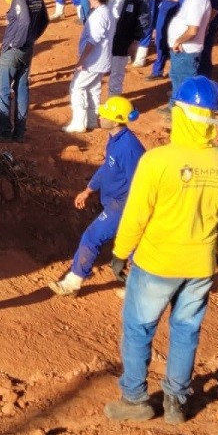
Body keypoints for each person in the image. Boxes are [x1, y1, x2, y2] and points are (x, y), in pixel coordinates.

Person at [105, 76, 218, 425]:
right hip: (201, 266)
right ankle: (175, 402)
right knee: (186, 331)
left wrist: (121, 253)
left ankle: (135, 399)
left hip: (156, 263)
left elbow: (136, 214)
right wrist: (204, 249)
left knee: (138, 329)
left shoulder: (157, 161)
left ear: (179, 114)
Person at [49, 96, 145, 297]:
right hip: (114, 203)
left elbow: (140, 183)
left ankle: (72, 283)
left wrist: (132, 213)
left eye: (105, 114)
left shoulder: (129, 148)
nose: (101, 116)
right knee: (133, 245)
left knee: (93, 237)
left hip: (123, 205)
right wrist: (89, 189)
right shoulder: (115, 139)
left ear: (117, 120)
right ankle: (139, 287)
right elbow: (107, 168)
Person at [0, 0, 49, 142]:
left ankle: (3, 131)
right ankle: (20, 132)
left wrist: (14, 43)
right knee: (22, 87)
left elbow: (24, 21)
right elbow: (44, 20)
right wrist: (32, 38)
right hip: (28, 47)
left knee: (2, 88)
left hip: (15, 49)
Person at [65, 0, 116, 133]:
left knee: (77, 87)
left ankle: (79, 123)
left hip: (93, 61)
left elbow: (93, 40)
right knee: (94, 88)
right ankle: (92, 120)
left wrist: (81, 60)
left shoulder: (99, 16)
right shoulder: (107, 11)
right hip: (102, 60)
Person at [157, 0, 211, 108]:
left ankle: (181, 109)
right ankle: (175, 105)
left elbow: (193, 30)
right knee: (177, 77)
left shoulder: (196, 1)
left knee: (184, 79)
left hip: (186, 48)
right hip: (184, 48)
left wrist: (178, 41)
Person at [106, 0, 151, 97]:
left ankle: (114, 98)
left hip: (123, 37)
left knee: (117, 69)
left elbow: (144, 18)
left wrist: (136, 40)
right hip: (105, 35)